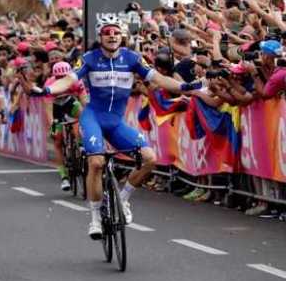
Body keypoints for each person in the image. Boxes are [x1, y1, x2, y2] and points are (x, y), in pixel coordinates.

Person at [35, 15, 200, 239]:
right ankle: (94, 218)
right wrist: (49, 90)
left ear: (121, 36)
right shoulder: (89, 58)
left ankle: (123, 199)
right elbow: (69, 80)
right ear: (100, 36)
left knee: (149, 158)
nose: (112, 36)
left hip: (116, 122)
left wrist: (184, 86)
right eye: (107, 32)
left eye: (115, 32)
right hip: (92, 117)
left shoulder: (133, 58)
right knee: (96, 162)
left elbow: (160, 79)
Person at [43, 61, 87, 191]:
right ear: (54, 77)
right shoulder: (49, 84)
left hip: (69, 102)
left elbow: (84, 102)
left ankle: (80, 144)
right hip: (55, 107)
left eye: (64, 77)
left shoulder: (76, 81)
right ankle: (64, 177)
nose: (61, 80)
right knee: (57, 139)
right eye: (58, 77)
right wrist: (52, 123)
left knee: (81, 116)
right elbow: (48, 109)